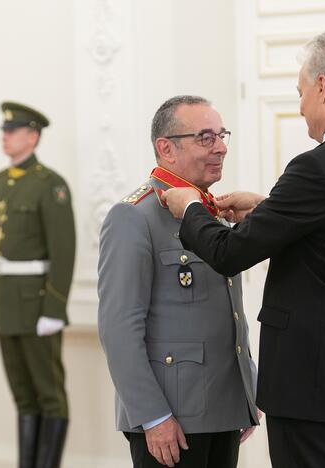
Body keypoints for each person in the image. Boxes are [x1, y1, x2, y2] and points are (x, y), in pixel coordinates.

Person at [161, 30, 325, 468]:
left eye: (300, 92)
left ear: (322, 86)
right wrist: (268, 208)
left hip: (308, 388)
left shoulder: (317, 166)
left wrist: (189, 210)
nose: (299, 107)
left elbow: (229, 253)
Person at [97, 95, 260, 468]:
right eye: (205, 137)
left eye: (221, 135)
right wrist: (152, 416)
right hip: (171, 417)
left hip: (222, 406)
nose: (220, 147)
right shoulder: (134, 216)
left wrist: (245, 389)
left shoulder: (209, 211)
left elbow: (228, 314)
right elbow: (118, 328)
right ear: (166, 148)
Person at [0, 101, 76, 468]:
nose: (5, 136)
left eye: (13, 130)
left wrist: (55, 307)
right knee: (23, 396)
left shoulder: (49, 185)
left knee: (49, 394)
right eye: (4, 131)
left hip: (38, 305)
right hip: (7, 304)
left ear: (33, 136)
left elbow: (63, 250)